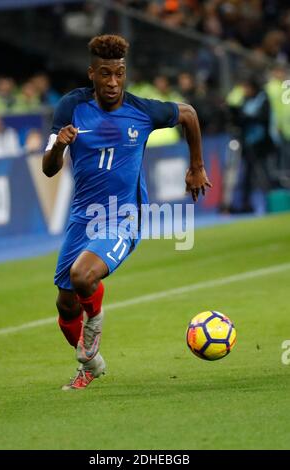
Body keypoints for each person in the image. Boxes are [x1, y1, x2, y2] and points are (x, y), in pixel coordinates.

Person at [42, 34, 212, 390]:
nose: (113, 82)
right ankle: (90, 363)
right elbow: (48, 169)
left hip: (124, 217)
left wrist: (196, 165)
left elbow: (189, 114)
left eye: (119, 73)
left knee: (83, 276)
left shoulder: (142, 110)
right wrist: (60, 145)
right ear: (92, 73)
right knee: (65, 304)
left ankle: (96, 322)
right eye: (105, 74)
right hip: (81, 218)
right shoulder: (71, 107)